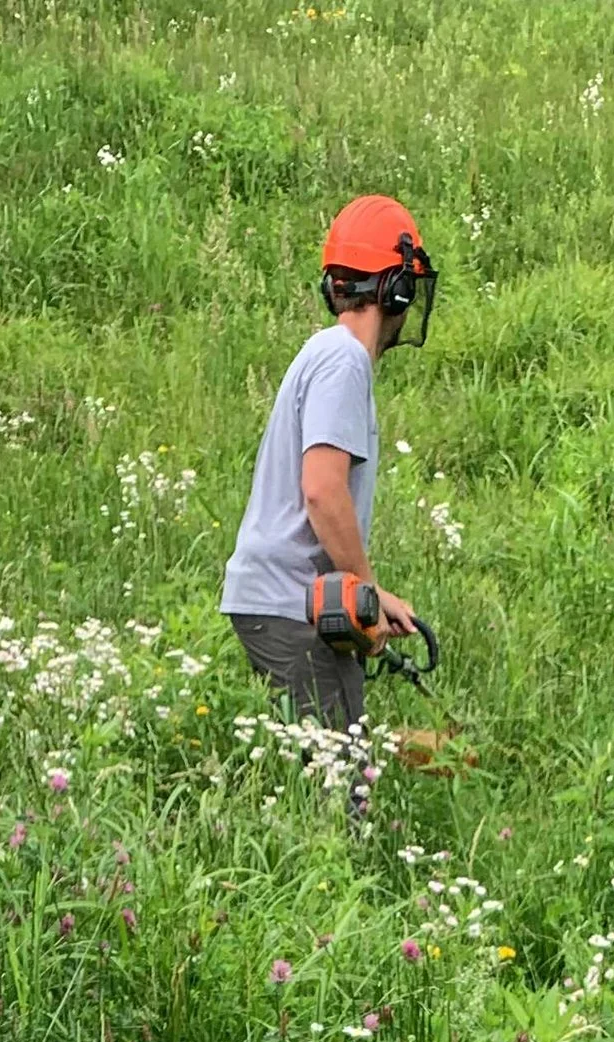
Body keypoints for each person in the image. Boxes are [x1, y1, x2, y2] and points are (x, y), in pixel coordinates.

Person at [222, 196, 436, 733]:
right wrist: (367, 592)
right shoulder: (343, 362)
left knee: (340, 769)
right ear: (399, 290)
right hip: (288, 603)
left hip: (298, 604)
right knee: (338, 789)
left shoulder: (327, 354)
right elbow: (321, 489)